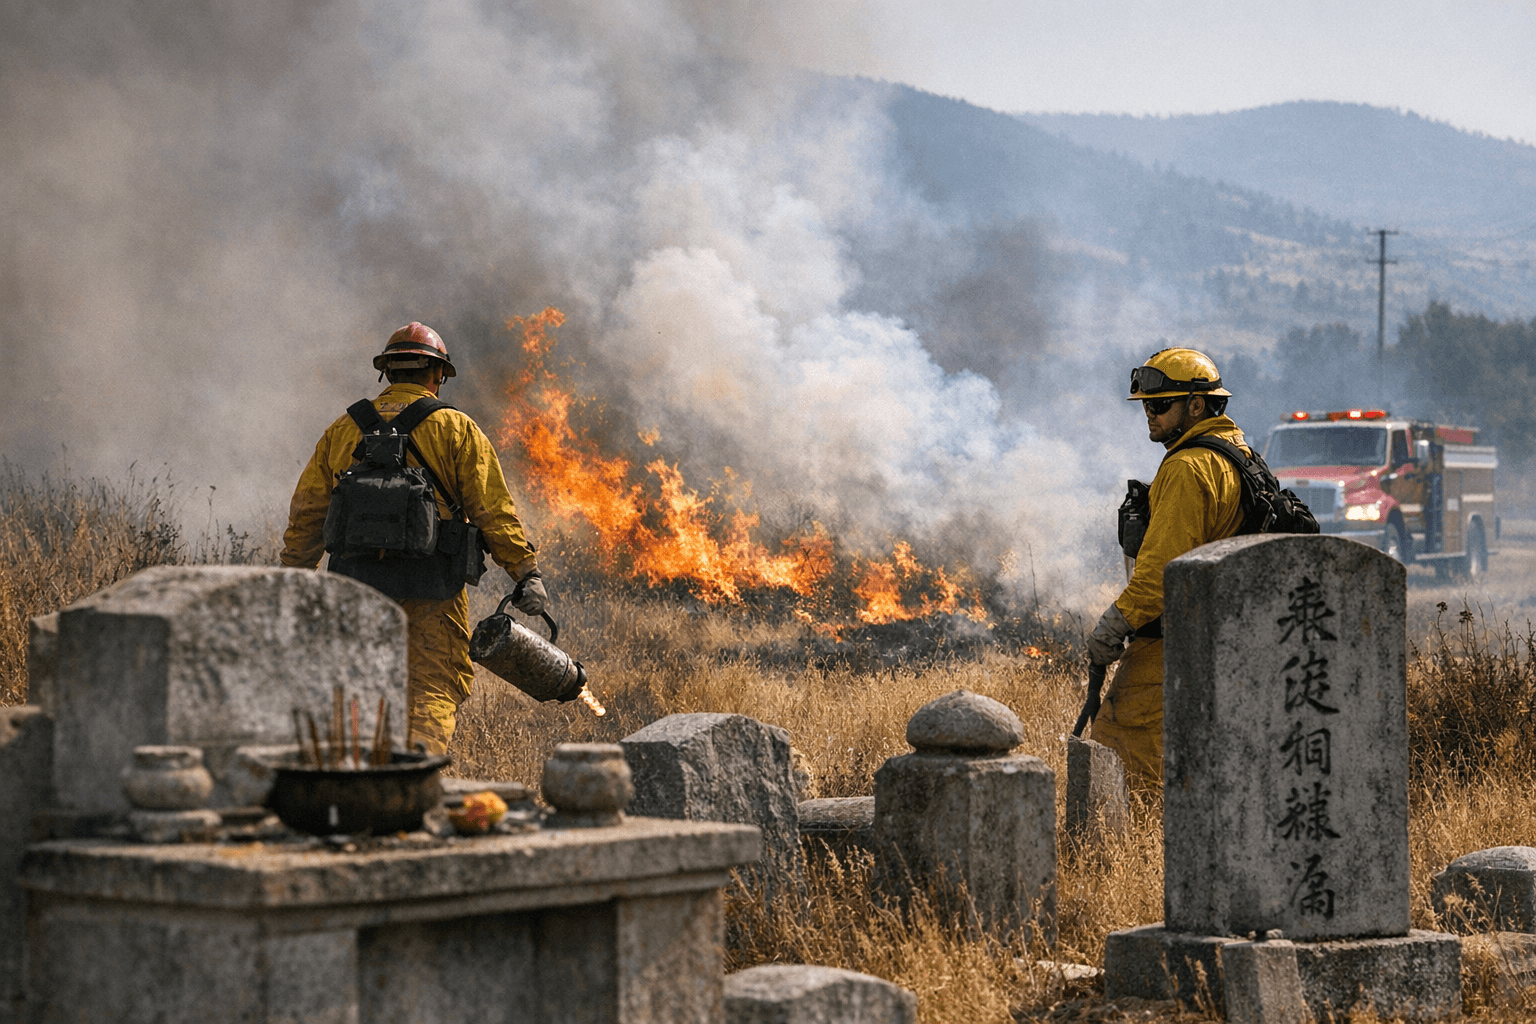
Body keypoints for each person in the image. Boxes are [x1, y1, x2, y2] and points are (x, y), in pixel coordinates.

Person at [280, 322, 546, 753]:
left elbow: (308, 513)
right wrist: (525, 572)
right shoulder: (456, 428)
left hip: (354, 587)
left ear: (386, 373)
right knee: (431, 687)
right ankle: (416, 779)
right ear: (437, 375)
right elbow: (493, 511)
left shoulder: (343, 429)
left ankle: (357, 787)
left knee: (355, 690)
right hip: (432, 587)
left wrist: (292, 577)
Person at [1086, 347, 1250, 783]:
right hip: (1227, 639)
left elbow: (1161, 573)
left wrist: (1113, 625)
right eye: (1146, 407)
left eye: (1160, 405)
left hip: (1173, 642)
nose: (1150, 415)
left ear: (1196, 405)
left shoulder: (1187, 468)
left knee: (1122, 748)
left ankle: (1138, 846)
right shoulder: (1236, 454)